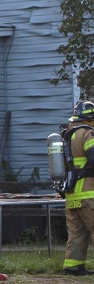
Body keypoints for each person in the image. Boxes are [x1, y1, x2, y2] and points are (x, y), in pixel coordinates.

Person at [62, 100, 94, 276]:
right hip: (90, 194)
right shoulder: (87, 134)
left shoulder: (67, 134)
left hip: (72, 195)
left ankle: (73, 266)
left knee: (76, 234)